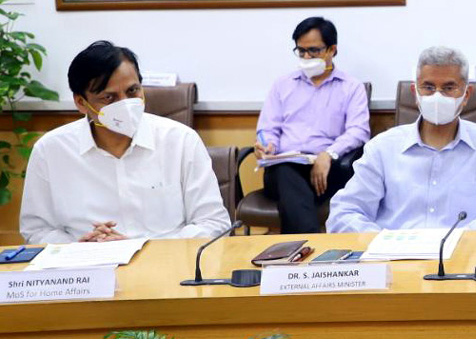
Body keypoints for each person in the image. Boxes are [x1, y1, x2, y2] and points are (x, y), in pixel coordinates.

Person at [20, 41, 231, 243]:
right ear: (81, 103)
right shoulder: (50, 150)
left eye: (132, 91)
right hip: (85, 267)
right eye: (109, 98)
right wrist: (77, 246)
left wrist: (142, 245)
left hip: (165, 263)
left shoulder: (180, 140)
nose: (126, 104)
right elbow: (37, 229)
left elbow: (213, 222)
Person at [326, 46, 476, 232]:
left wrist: (461, 238)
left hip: (463, 256)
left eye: (449, 88)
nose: (437, 96)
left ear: (466, 94)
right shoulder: (382, 147)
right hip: (393, 258)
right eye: (428, 87)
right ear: (415, 93)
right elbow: (344, 214)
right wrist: (383, 240)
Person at [255, 17, 369, 234]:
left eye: (314, 51)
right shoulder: (282, 85)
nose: (306, 57)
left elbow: (359, 131)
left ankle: (298, 255)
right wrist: (266, 146)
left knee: (294, 193)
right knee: (286, 173)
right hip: (284, 167)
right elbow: (268, 128)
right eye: (301, 51)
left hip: (328, 169)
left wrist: (328, 154)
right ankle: (310, 248)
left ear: (331, 50)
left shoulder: (351, 87)